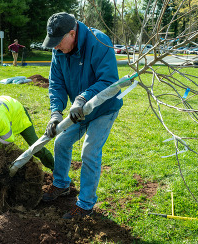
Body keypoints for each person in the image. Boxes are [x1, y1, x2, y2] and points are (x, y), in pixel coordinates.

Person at [41, 12, 123, 219]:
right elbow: (56, 83)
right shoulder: (58, 51)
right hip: (79, 113)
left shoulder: (98, 42)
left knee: (89, 151)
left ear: (72, 32)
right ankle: (61, 185)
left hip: (104, 108)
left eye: (58, 42)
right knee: (61, 142)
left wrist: (82, 99)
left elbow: (109, 80)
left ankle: (85, 204)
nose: (56, 47)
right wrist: (55, 113)